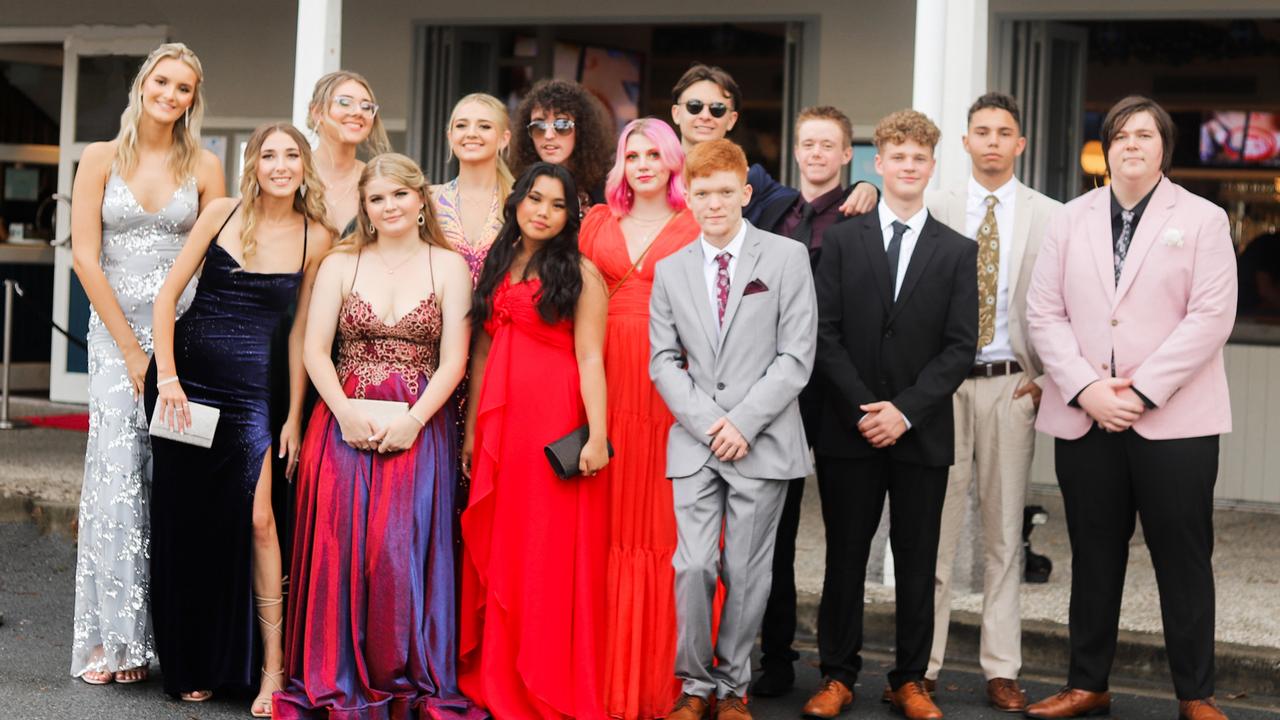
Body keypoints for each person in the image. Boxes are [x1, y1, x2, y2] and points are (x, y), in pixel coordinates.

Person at [1024, 95, 1237, 720]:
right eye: (1119, 134)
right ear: (1106, 148)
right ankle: (1087, 683)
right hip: (1087, 416)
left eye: (1144, 134)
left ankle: (1196, 695)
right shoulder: (1069, 218)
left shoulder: (1203, 219)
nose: (1131, 144)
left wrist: (1142, 393)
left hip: (1174, 422)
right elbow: (1045, 313)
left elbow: (1210, 317)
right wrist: (1087, 390)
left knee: (1184, 559)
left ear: (1163, 147)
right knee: (1093, 554)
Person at [273, 154, 481, 719]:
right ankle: (332, 668)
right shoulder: (342, 265)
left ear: (421, 201)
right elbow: (316, 349)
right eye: (377, 198)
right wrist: (340, 413)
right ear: (364, 209)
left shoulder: (449, 266)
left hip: (420, 426)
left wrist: (414, 420)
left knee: (397, 552)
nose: (389, 207)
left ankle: (400, 669)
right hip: (342, 424)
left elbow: (454, 361)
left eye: (399, 195)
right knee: (341, 551)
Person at [144, 122, 334, 713]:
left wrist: (295, 417)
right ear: (253, 163)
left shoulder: (318, 236)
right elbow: (166, 297)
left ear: (305, 165)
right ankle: (191, 661)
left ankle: (271, 670)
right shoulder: (222, 212)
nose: (280, 165)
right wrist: (168, 379)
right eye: (268, 155)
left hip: (253, 394)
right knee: (188, 521)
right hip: (185, 387)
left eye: (291, 155)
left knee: (258, 518)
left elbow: (303, 334)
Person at [802, 109, 977, 720]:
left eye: (918, 158)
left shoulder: (957, 251)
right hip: (850, 429)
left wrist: (903, 411)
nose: (907, 166)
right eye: (896, 156)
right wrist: (863, 410)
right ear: (879, 163)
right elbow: (822, 334)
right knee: (844, 557)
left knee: (918, 559)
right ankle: (837, 675)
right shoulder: (843, 241)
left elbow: (961, 347)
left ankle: (909, 679)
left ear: (932, 166)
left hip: (920, 430)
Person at [68, 42, 224, 687]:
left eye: (184, 87)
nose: (171, 94)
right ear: (141, 84)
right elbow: (84, 257)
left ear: (194, 98)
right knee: (117, 476)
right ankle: (116, 638)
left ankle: (183, 636)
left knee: (181, 481)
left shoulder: (208, 165)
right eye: (162, 81)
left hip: (184, 337)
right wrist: (131, 351)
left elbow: (217, 260)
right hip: (114, 340)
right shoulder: (100, 158)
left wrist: (172, 352)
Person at [649, 138, 816, 720]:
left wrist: (743, 423)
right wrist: (707, 422)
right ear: (687, 199)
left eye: (725, 192)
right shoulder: (670, 271)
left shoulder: (786, 258)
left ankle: (731, 687)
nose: (714, 203)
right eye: (702, 194)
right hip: (695, 443)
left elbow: (796, 356)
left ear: (745, 193)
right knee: (693, 565)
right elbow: (663, 359)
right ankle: (694, 685)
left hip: (762, 439)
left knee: (747, 571)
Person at [920, 91, 1062, 712]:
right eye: (982, 131)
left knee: (1005, 533)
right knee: (936, 530)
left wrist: (1050, 378)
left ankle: (1001, 668)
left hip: (1013, 384)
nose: (993, 142)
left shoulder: (1051, 215)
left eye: (1005, 132)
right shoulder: (935, 205)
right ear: (966, 142)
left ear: (1020, 144)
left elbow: (1070, 302)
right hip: (944, 386)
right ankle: (919, 664)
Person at [458, 162, 611, 718]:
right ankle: (498, 673)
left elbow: (592, 356)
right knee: (504, 545)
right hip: (502, 423)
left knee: (543, 551)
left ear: (571, 214)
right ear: (517, 200)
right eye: (535, 199)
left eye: (556, 204)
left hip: (553, 419)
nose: (543, 212)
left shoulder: (581, 272)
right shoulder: (498, 261)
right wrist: (474, 430)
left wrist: (598, 435)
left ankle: (542, 680)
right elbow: (478, 352)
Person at [579, 118, 700, 720]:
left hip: (670, 387)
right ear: (620, 165)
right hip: (601, 381)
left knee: (665, 530)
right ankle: (601, 676)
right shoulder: (597, 223)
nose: (644, 164)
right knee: (603, 529)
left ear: (675, 161)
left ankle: (667, 678)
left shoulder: (696, 222)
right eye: (633, 155)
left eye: (655, 153)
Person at [750, 105, 860, 697]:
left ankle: (839, 667)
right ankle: (776, 656)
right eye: (808, 144)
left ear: (847, 154)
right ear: (797, 151)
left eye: (829, 146)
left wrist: (867, 187)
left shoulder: (861, 214)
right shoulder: (771, 208)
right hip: (774, 386)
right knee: (776, 526)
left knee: (845, 530)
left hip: (835, 386)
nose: (817, 153)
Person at [667, 64, 877, 227]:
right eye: (695, 107)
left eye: (717, 109)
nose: (705, 116)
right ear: (676, 113)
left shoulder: (754, 181)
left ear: (731, 119)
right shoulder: (652, 171)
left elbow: (810, 203)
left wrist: (866, 188)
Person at [431, 92, 514, 283]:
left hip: (500, 311)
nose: (471, 133)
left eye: (484, 126)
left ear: (504, 138)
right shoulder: (429, 199)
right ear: (450, 137)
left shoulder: (520, 201)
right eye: (461, 125)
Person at [307, 70, 392, 234]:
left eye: (366, 106)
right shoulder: (294, 172)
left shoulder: (376, 180)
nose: (358, 112)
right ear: (317, 112)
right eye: (345, 102)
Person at [512, 79, 615, 211]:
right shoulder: (518, 187)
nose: (548, 135)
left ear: (581, 129)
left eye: (562, 125)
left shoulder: (606, 190)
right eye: (538, 126)